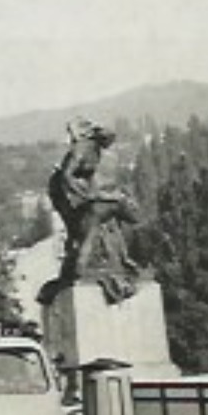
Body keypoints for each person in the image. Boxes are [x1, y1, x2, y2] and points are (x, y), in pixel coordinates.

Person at [46, 117, 140, 302]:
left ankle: (113, 261)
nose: (110, 141)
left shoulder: (95, 150)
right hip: (64, 194)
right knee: (91, 222)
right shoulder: (83, 148)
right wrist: (88, 196)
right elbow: (67, 175)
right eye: (108, 137)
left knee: (98, 222)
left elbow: (89, 180)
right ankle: (81, 268)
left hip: (78, 194)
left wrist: (98, 194)